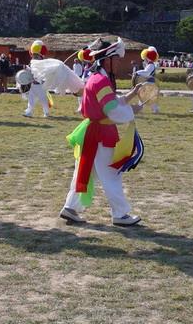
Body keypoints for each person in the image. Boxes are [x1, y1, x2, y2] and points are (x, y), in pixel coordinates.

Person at [60, 38, 143, 226]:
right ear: (107, 60)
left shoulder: (96, 79)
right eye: (117, 59)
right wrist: (132, 111)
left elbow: (112, 102)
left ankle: (71, 208)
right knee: (111, 175)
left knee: (85, 172)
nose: (120, 62)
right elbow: (112, 110)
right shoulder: (102, 81)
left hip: (92, 132)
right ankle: (120, 214)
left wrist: (132, 94)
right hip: (101, 134)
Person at [24, 40, 51, 117]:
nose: (34, 56)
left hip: (41, 85)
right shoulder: (31, 62)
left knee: (43, 100)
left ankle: (46, 112)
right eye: (34, 55)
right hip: (32, 84)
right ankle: (29, 112)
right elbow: (30, 72)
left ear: (40, 55)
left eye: (36, 55)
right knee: (31, 99)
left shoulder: (43, 63)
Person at [135, 46, 160, 114]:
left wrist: (137, 72)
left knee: (144, 96)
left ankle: (140, 108)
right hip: (148, 83)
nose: (144, 58)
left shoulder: (151, 65)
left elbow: (146, 73)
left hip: (150, 83)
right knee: (146, 96)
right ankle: (141, 108)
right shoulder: (150, 65)